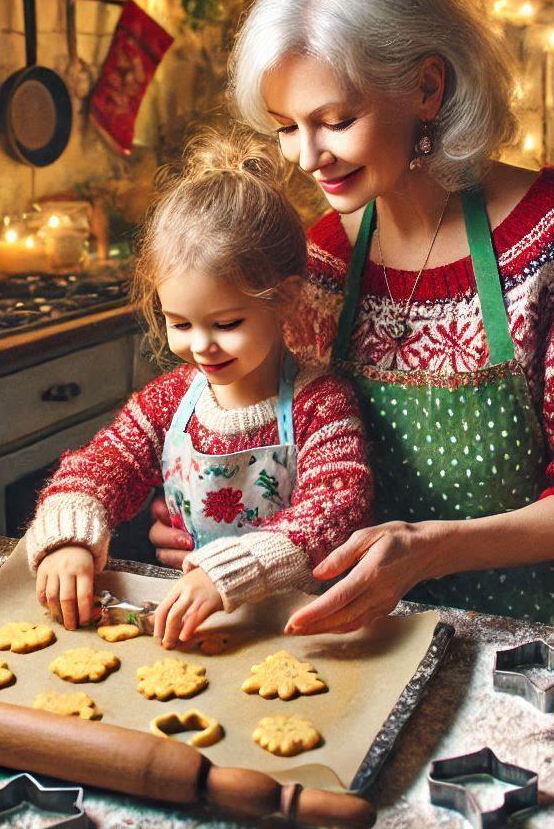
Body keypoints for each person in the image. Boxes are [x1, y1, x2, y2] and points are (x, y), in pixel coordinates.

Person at [150, 0, 554, 638]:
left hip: (540, 638)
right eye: (288, 128)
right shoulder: (316, 262)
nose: (308, 157)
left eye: (336, 121)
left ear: (428, 88)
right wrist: (214, 510)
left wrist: (432, 550)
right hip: (363, 639)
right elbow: (277, 439)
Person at [25, 131, 373, 647]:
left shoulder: (319, 404)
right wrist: (69, 535)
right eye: (181, 324)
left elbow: (338, 505)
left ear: (286, 300)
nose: (203, 346)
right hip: (190, 629)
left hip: (295, 634)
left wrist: (229, 572)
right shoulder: (168, 402)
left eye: (227, 322)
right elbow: (100, 466)